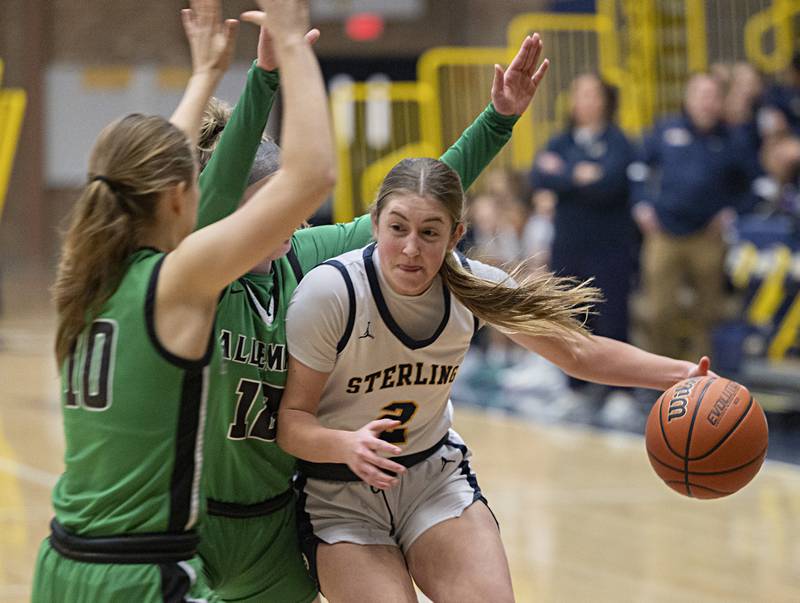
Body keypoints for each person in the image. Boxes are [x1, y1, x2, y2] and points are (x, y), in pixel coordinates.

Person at [193, 27, 554, 603]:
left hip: (276, 523)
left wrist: (498, 119)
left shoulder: (305, 254)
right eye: (266, 205)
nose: (288, 212)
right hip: (195, 522)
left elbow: (421, 201)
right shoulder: (199, 281)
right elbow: (210, 195)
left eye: (286, 198)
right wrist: (263, 79)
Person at [278, 174, 711, 601]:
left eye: (430, 232)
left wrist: (681, 373)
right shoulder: (332, 293)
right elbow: (292, 423)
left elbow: (578, 353)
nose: (411, 248)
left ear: (455, 235)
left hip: (431, 480)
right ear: (374, 224)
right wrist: (347, 445)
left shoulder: (473, 286)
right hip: (338, 493)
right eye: (398, 228)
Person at [31, 0, 335, 601]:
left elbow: (139, 166)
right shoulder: (176, 281)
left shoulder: (82, 278)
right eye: (199, 183)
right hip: (137, 575)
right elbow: (313, 176)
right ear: (175, 198)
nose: (209, 192)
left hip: (60, 564)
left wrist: (204, 77)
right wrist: (294, 45)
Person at [530, 73, 638, 424]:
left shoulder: (619, 142)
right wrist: (580, 176)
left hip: (610, 246)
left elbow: (610, 184)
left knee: (613, 315)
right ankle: (574, 387)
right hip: (569, 244)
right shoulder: (560, 141)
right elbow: (538, 176)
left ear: (605, 100)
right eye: (579, 94)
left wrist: (565, 178)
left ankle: (621, 391)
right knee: (568, 315)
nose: (584, 101)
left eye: (592, 94)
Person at [629, 72, 750, 361]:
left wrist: (730, 212)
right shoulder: (666, 129)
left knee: (708, 312)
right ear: (688, 98)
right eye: (700, 95)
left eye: (712, 96)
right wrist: (641, 204)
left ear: (720, 101)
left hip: (707, 235)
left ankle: (701, 378)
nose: (706, 102)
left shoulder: (732, 138)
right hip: (663, 232)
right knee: (658, 310)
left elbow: (751, 184)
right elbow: (637, 168)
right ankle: (663, 374)